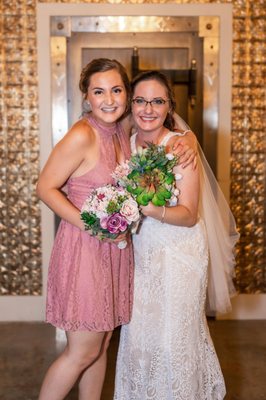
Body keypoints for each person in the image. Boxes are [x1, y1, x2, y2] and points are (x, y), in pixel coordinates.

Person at [36, 59, 197, 400]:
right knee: (81, 352)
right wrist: (91, 226)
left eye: (116, 90)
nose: (108, 99)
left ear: (126, 94)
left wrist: (190, 139)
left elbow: (163, 125)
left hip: (115, 253)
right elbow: (45, 187)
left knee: (101, 345)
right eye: (98, 91)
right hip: (84, 253)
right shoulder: (83, 134)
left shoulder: (122, 131)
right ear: (87, 97)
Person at [114, 70, 239, 399]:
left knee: (173, 340)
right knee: (139, 336)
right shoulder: (125, 143)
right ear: (131, 104)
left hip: (180, 253)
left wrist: (153, 211)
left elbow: (188, 213)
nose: (148, 108)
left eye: (158, 101)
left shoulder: (180, 147)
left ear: (170, 106)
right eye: (140, 100)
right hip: (142, 256)